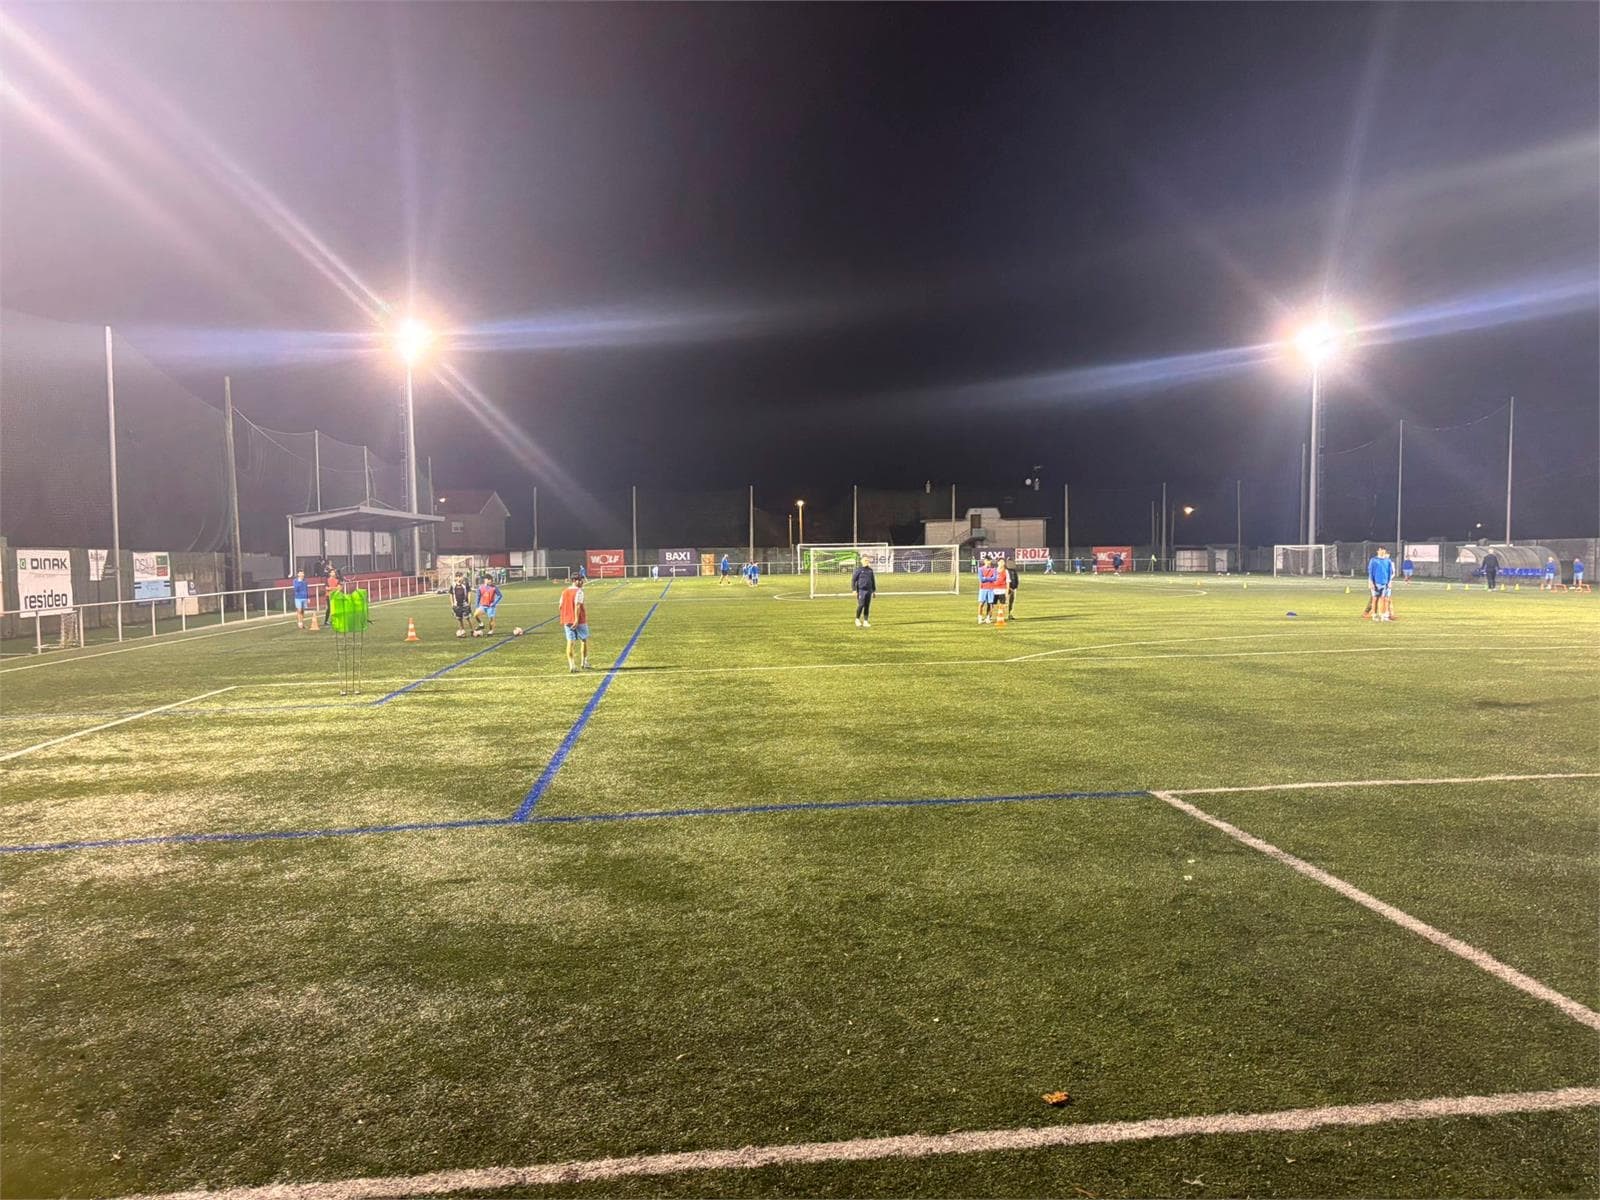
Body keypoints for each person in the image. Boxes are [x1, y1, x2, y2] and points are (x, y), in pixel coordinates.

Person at [559, 575, 590, 671]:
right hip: (579, 620)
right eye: (580, 580)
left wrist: (565, 615)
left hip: (567, 620)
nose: (582, 582)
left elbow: (560, 605)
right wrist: (576, 620)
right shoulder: (579, 591)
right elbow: (577, 606)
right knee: (584, 640)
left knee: (570, 642)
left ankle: (572, 665)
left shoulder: (564, 591)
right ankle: (584, 662)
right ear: (574, 581)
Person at [1367, 546, 1395, 621]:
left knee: (1384, 599)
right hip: (1376, 583)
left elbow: (1389, 573)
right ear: (1378, 551)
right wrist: (1371, 582)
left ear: (1385, 552)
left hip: (1385, 583)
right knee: (1374, 599)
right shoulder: (1373, 560)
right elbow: (1370, 572)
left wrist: (1390, 582)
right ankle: (1374, 615)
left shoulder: (1388, 561)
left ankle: (1383, 615)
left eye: (1383, 551)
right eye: (1380, 550)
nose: (1382, 552)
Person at [851, 555, 876, 627]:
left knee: (867, 606)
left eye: (867, 560)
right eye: (865, 560)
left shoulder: (870, 570)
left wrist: (874, 591)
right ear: (862, 562)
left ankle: (865, 621)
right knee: (861, 605)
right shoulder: (858, 570)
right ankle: (857, 619)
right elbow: (853, 580)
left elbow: (872, 580)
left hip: (869, 590)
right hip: (861, 590)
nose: (866, 562)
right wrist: (854, 590)